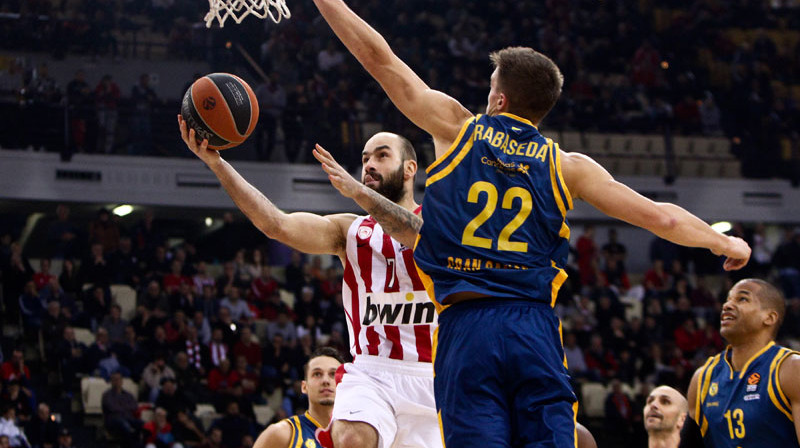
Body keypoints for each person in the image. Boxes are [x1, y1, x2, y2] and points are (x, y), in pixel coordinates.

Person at [308, 2, 751, 446]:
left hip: (466, 326)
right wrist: (723, 242)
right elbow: (661, 216)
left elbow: (380, 60)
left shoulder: (460, 130)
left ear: (499, 99)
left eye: (489, 88)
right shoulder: (568, 167)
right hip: (534, 327)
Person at [178, 114, 441, 448]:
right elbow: (277, 224)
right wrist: (217, 163)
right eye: (364, 159)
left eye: (382, 155)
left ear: (410, 169)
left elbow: (417, 236)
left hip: (431, 376)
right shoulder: (349, 231)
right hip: (373, 370)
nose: (369, 165)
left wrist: (358, 193)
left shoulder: (436, 223)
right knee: (352, 438)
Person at [688, 279, 800, 447]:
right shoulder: (703, 378)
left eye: (742, 299)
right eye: (727, 299)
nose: (727, 305)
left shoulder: (790, 368)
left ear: (769, 318)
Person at [253, 347, 343, 448]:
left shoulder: (357, 438)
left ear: (345, 385)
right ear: (304, 387)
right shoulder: (282, 433)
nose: (326, 380)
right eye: (317, 374)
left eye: (333, 374)